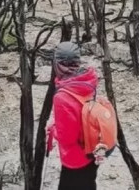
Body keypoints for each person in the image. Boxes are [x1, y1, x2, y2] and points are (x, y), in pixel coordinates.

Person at [46, 41, 99, 190]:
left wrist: (53, 130)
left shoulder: (62, 97)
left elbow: (67, 138)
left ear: (57, 64)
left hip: (75, 160)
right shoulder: (88, 81)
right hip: (93, 151)